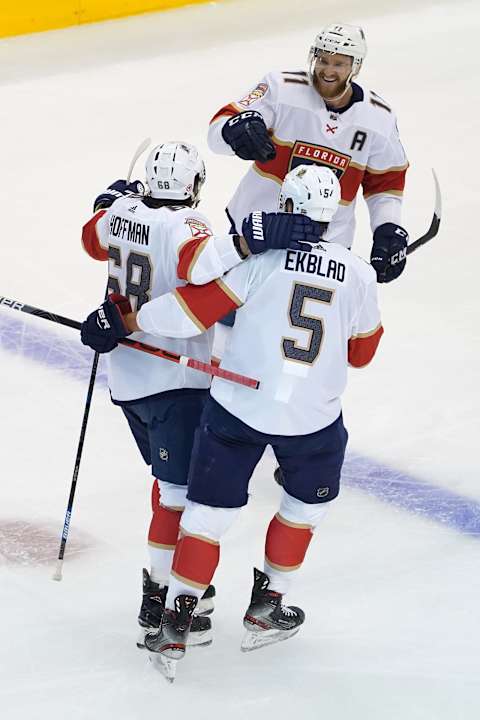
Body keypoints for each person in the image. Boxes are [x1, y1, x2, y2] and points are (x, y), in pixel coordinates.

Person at [80, 165, 384, 679]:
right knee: (300, 511)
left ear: (284, 204)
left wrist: (127, 321)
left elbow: (190, 315)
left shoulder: (260, 262)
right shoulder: (358, 273)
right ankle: (269, 607)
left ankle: (176, 623)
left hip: (237, 411)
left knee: (205, 517)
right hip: (312, 420)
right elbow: (362, 353)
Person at [208, 22, 409, 287]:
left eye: (339, 63)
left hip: (325, 250)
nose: (327, 71)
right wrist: (234, 131)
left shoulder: (378, 118)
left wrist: (386, 228)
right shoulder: (281, 88)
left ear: (356, 66)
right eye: (323, 60)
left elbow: (387, 184)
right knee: (232, 321)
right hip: (257, 231)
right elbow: (216, 133)